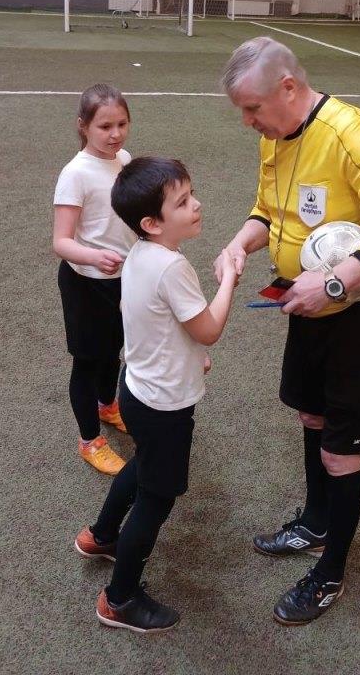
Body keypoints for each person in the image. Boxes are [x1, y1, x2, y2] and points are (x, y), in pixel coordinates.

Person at [214, 36, 360, 626]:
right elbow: (269, 211)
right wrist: (240, 243)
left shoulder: (348, 132)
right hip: (304, 303)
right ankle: (315, 524)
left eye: (252, 108)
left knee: (341, 448)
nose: (248, 121)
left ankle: (330, 573)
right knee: (311, 414)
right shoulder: (275, 136)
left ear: (288, 87)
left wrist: (334, 284)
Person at [74, 157, 237, 633]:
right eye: (182, 202)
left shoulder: (139, 254)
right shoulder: (173, 267)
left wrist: (190, 355)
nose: (196, 205)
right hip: (165, 407)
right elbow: (207, 329)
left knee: (143, 464)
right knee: (156, 498)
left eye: (192, 194)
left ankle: (101, 536)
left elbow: (155, 322)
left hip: (137, 391)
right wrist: (229, 277)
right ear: (151, 223)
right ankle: (119, 599)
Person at [53, 84, 135, 476]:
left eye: (122, 124)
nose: (115, 134)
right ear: (83, 126)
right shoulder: (75, 174)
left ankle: (108, 405)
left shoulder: (124, 160)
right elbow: (61, 241)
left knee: (113, 349)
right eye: (105, 126)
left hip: (123, 278)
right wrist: (94, 256)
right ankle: (89, 440)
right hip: (86, 283)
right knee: (87, 361)